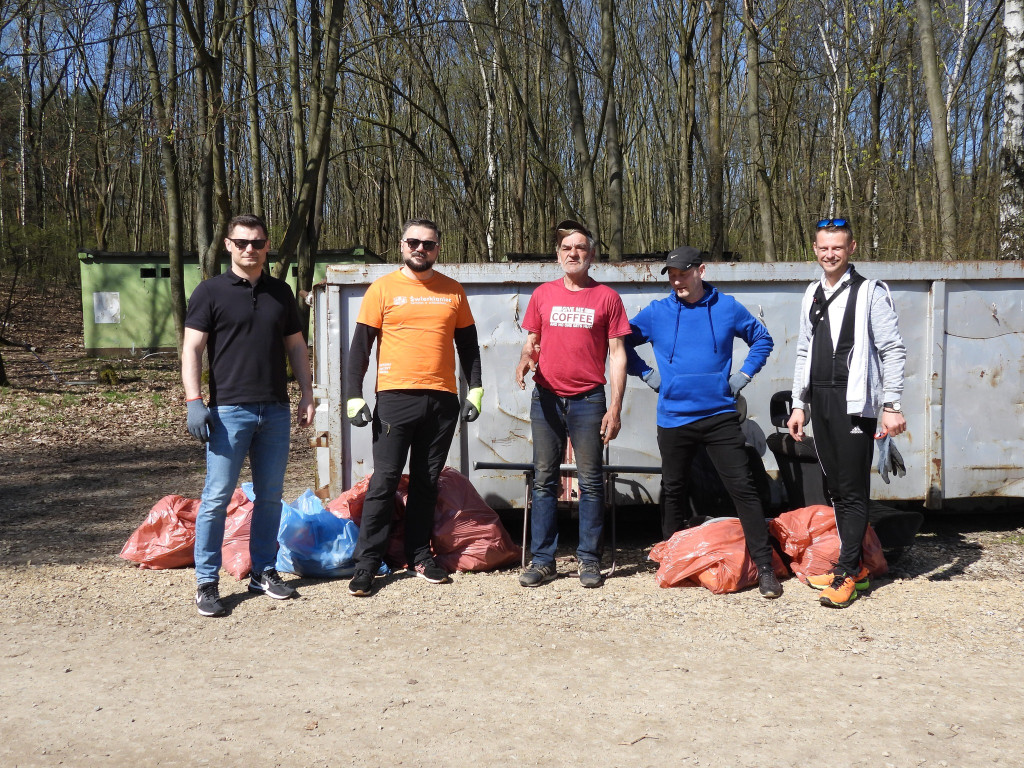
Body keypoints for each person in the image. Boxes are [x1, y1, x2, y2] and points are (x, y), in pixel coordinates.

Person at [627, 245, 782, 599]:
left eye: (683, 273)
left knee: (743, 488)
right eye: (671, 274)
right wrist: (648, 375)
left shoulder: (726, 307)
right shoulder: (657, 312)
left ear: (701, 270)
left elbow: (762, 339)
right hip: (674, 417)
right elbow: (620, 341)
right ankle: (672, 559)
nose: (677, 280)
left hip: (719, 415)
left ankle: (765, 569)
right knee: (673, 489)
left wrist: (742, 376)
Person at [182, 213, 315, 617]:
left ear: (267, 244)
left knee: (270, 497)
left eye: (257, 242)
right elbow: (192, 348)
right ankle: (207, 582)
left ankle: (264, 571)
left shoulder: (281, 292)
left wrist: (308, 393)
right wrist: (194, 401)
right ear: (228, 245)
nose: (250, 249)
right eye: (242, 242)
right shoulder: (209, 292)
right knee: (216, 498)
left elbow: (296, 347)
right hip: (228, 412)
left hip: (274, 409)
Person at [345, 218, 483, 597]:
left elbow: (468, 348)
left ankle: (420, 555)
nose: (421, 248)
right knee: (384, 481)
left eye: (429, 244)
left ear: (439, 248)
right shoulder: (383, 288)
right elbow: (360, 348)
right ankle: (367, 564)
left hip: (441, 401)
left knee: (426, 482)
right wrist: (353, 394)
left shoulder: (453, 292)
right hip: (394, 399)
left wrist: (476, 391)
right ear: (402, 245)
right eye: (414, 242)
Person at [787, 218, 906, 608]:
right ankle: (850, 564)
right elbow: (804, 350)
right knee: (836, 488)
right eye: (823, 247)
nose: (829, 254)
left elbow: (892, 350)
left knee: (853, 490)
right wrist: (798, 403)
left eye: (837, 247)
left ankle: (849, 572)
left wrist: (891, 406)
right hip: (819, 399)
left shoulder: (871, 292)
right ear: (815, 249)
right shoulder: (812, 293)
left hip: (854, 404)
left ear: (851, 248)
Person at [514, 219, 629, 589]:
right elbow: (533, 340)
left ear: (591, 254)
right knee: (544, 480)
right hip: (545, 397)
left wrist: (615, 406)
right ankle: (543, 560)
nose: (573, 253)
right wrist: (524, 358)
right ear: (558, 254)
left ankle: (589, 560)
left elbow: (617, 355)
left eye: (580, 248)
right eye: (566, 248)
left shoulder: (607, 298)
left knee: (591, 482)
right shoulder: (543, 294)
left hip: (589, 400)